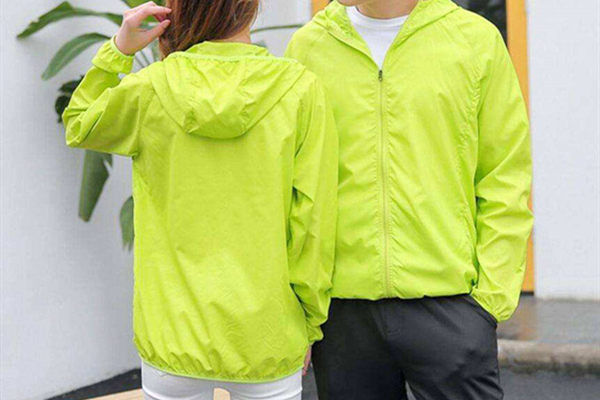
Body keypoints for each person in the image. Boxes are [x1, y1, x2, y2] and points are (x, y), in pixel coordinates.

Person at [63, 1, 338, 399]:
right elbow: (312, 221)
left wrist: (119, 49)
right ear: (251, 8)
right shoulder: (300, 90)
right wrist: (309, 322)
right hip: (267, 335)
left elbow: (80, 122)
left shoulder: (151, 88)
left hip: (172, 337)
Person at [285, 0, 533, 399]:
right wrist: (304, 307)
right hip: (342, 313)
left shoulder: (474, 41)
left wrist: (488, 302)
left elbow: (504, 175)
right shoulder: (309, 46)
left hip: (452, 305)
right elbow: (293, 185)